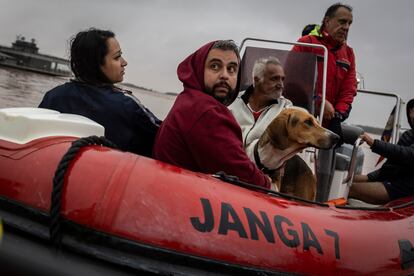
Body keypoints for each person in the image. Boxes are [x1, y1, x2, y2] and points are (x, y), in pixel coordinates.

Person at [153, 40, 270, 189]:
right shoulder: (206, 112)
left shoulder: (190, 99)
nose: (224, 75)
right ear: (199, 69)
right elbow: (245, 177)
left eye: (232, 69)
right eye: (215, 66)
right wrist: (267, 182)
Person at [39, 28, 161, 157]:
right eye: (117, 57)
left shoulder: (53, 97)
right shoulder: (126, 105)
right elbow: (163, 137)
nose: (124, 63)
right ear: (97, 64)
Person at [291, 3, 357, 138]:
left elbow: (349, 89)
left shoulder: (349, 54)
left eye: (349, 23)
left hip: (329, 120)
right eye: (342, 22)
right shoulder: (306, 43)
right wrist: (319, 101)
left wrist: (338, 115)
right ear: (327, 21)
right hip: (300, 115)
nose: (346, 27)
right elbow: (292, 78)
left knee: (349, 139)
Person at [229, 56, 292, 169]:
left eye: (282, 79)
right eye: (274, 79)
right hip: (227, 165)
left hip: (264, 171)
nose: (281, 84)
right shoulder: (231, 102)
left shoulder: (287, 108)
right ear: (257, 80)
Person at [349, 99, 414, 204]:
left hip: (407, 188)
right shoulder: (408, 135)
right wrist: (369, 177)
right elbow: (391, 166)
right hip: (395, 182)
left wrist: (373, 143)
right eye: (412, 111)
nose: (412, 115)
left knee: (349, 188)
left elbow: (409, 154)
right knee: (345, 181)